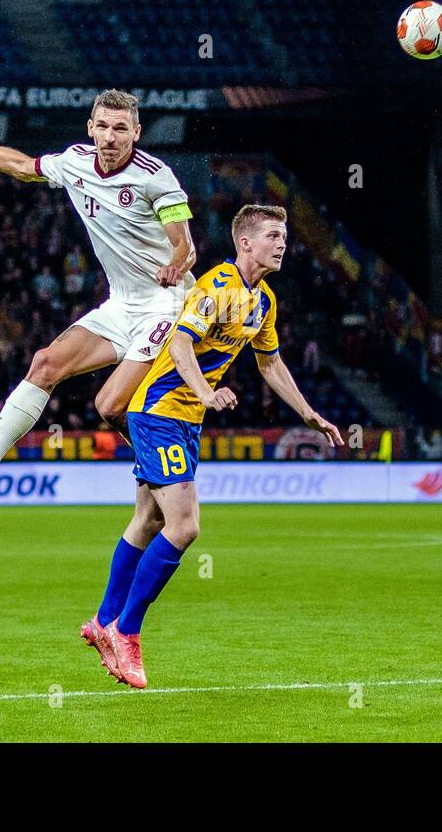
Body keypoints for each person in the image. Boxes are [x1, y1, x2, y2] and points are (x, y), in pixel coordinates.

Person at [79, 205, 342, 689]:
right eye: (272, 235)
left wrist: (309, 414)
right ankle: (126, 632)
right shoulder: (216, 287)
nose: (282, 243)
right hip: (161, 412)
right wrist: (205, 392)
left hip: (182, 420)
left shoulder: (262, 300)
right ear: (244, 242)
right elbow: (179, 345)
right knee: (185, 525)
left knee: (149, 519)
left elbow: (270, 365)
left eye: (283, 236)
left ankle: (102, 621)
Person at [0, 90, 197, 494]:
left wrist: (176, 265)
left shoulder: (154, 177)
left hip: (167, 305)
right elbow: (21, 166)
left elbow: (185, 244)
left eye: (120, 128)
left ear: (136, 132)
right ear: (90, 128)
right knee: (46, 363)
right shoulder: (75, 162)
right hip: (122, 306)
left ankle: (168, 469)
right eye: (102, 126)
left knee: (111, 405)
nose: (109, 137)